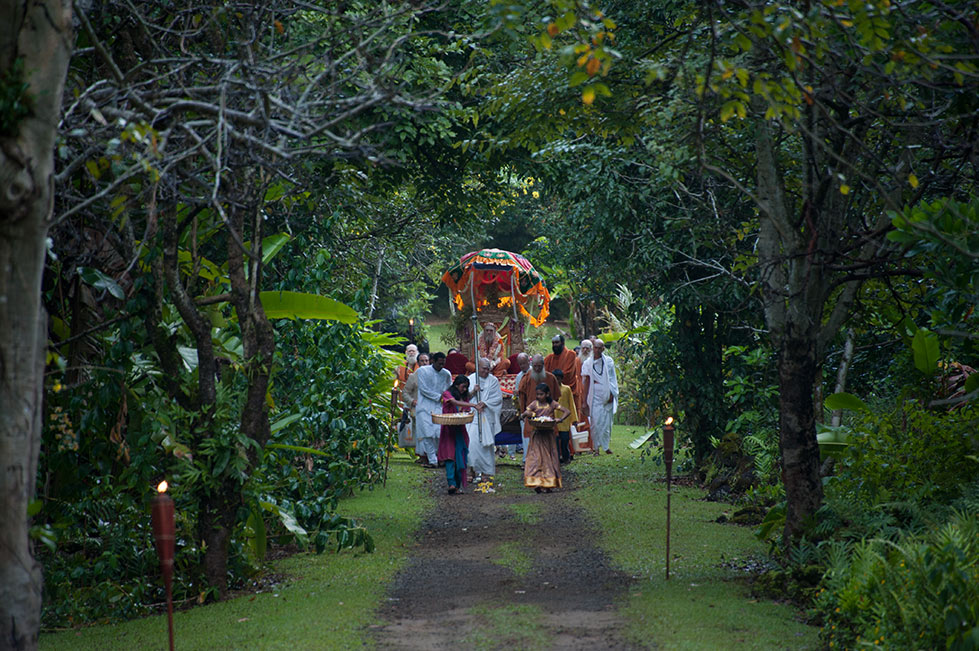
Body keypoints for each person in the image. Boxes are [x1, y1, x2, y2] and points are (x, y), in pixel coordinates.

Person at [439, 375, 484, 494]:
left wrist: (474, 391)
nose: (464, 390)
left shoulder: (463, 396)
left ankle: (457, 485)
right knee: (449, 457)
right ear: (456, 385)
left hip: (460, 429)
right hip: (448, 429)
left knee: (460, 456)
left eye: (466, 388)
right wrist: (473, 405)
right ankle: (451, 483)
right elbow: (453, 402)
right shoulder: (447, 394)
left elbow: (465, 400)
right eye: (463, 387)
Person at [521, 383, 569, 492]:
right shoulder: (534, 404)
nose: (539, 397)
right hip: (537, 435)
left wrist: (559, 419)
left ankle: (549, 483)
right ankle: (537, 482)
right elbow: (527, 411)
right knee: (536, 458)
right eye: (537, 394)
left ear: (547, 394)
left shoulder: (552, 404)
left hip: (548, 435)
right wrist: (527, 414)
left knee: (548, 459)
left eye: (541, 394)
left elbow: (567, 411)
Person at [517, 354, 562, 464]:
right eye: (535, 366)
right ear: (532, 365)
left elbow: (556, 396)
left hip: (547, 415)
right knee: (530, 437)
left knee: (548, 438)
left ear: (543, 365)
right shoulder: (527, 378)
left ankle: (547, 461)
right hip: (531, 415)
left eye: (539, 366)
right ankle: (531, 462)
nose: (537, 369)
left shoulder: (551, 378)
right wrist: (523, 412)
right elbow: (522, 396)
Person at [466, 357, 502, 486]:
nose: (486, 371)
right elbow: (464, 397)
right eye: (483, 369)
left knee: (486, 447)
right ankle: (471, 470)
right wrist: (473, 392)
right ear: (478, 367)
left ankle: (486, 472)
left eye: (488, 369)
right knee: (471, 444)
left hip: (486, 416)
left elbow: (497, 398)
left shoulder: (493, 381)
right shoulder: (471, 379)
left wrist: (485, 403)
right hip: (473, 416)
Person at [581, 338, 618, 455]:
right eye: (595, 347)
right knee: (595, 422)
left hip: (607, 395)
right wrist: (584, 401)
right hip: (595, 395)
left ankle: (606, 446)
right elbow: (586, 382)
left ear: (603, 349)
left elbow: (612, 379)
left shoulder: (609, 362)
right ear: (593, 348)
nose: (597, 350)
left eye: (599, 348)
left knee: (607, 423)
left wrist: (612, 393)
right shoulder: (587, 363)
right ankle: (596, 448)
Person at [415, 352, 452, 467]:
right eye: (439, 363)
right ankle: (432, 460)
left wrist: (447, 398)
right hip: (424, 406)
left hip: (439, 407)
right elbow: (423, 389)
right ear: (433, 361)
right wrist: (439, 397)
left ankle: (439, 457)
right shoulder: (422, 371)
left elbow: (448, 388)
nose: (441, 366)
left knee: (438, 433)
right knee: (427, 433)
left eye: (443, 364)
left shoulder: (446, 374)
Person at [501, 351, 531, 461]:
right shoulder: (519, 376)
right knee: (525, 435)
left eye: (524, 363)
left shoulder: (534, 373)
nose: (522, 366)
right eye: (520, 364)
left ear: (529, 361)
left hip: (534, 408)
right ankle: (525, 459)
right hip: (523, 408)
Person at [400, 352, 429, 460]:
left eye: (426, 361)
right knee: (420, 433)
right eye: (422, 361)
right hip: (418, 410)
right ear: (418, 362)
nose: (425, 363)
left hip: (432, 410)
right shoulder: (413, 376)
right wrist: (412, 401)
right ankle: (422, 455)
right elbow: (405, 393)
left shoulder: (435, 375)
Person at [545, 334, 580, 411]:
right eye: (553, 343)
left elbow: (567, 374)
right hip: (552, 394)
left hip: (568, 392)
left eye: (557, 342)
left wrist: (552, 379)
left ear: (563, 343)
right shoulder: (549, 358)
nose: (554, 345)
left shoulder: (571, 355)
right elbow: (545, 375)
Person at [551, 368, 578, 463]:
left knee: (565, 440)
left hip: (564, 419)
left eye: (558, 378)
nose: (557, 380)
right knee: (555, 441)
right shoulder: (550, 389)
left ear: (561, 379)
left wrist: (574, 419)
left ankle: (566, 457)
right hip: (554, 419)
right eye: (555, 378)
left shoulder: (566, 389)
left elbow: (571, 403)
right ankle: (556, 458)